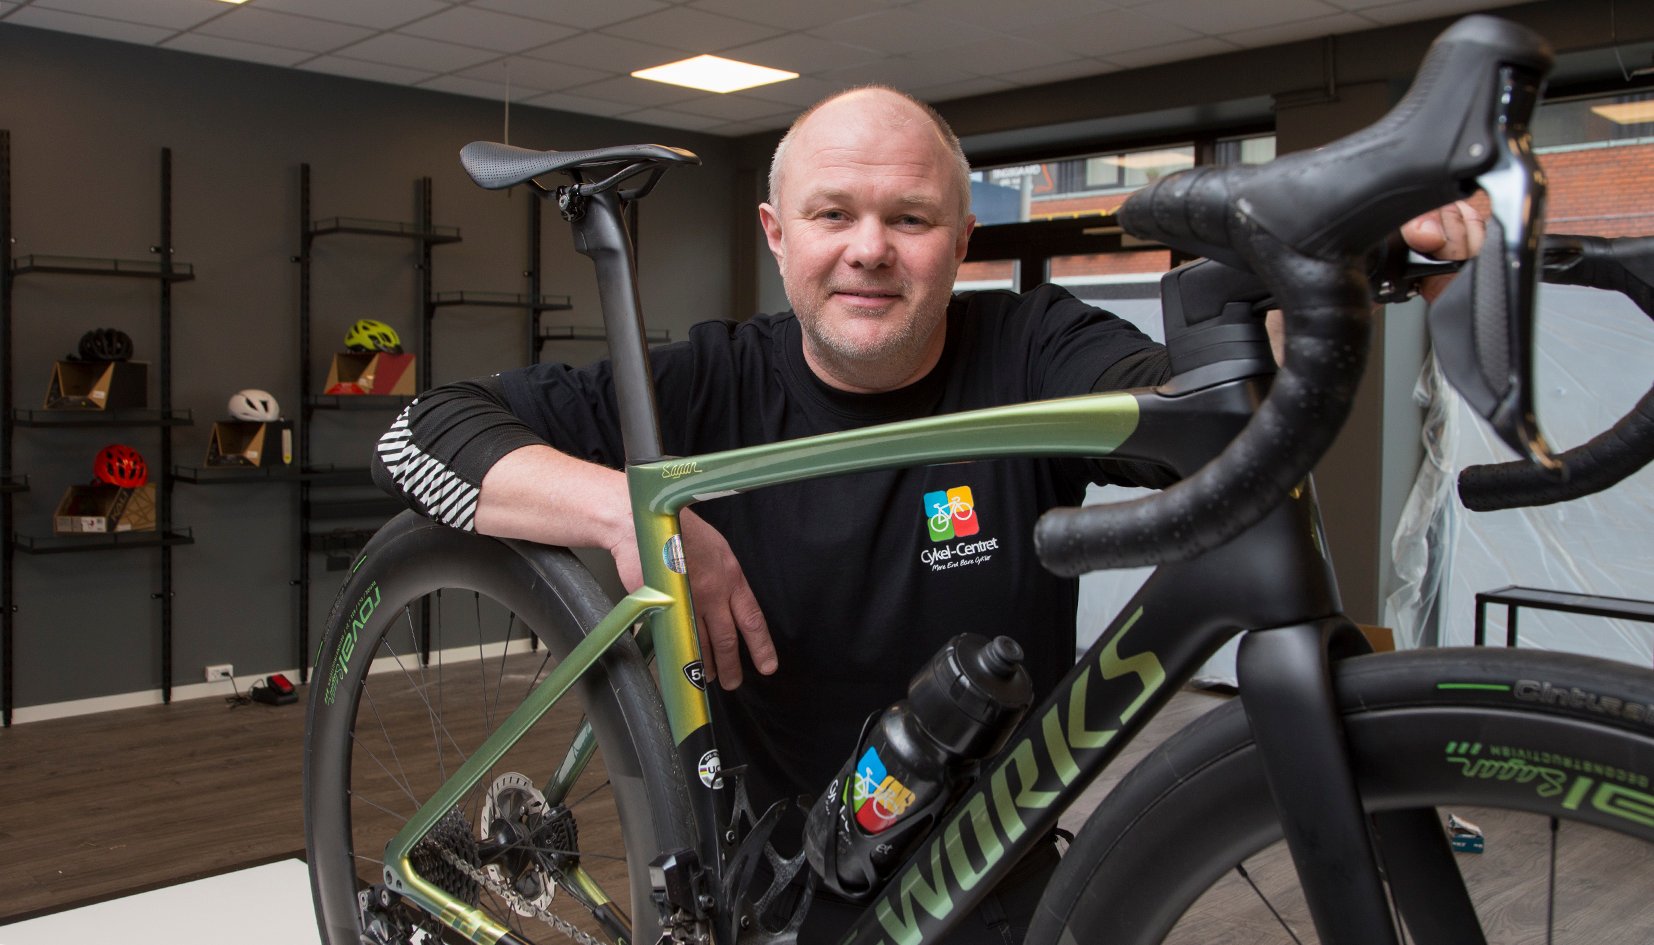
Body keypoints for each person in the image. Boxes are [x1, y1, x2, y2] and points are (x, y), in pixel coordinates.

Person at [373, 85, 1481, 943]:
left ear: (961, 241)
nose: (868, 248)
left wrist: (1357, 267)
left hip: (995, 860)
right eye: (832, 214)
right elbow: (411, 430)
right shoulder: (708, 383)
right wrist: (626, 511)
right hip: (766, 869)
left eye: (910, 218)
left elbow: (1213, 422)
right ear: (776, 233)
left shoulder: (1036, 347)